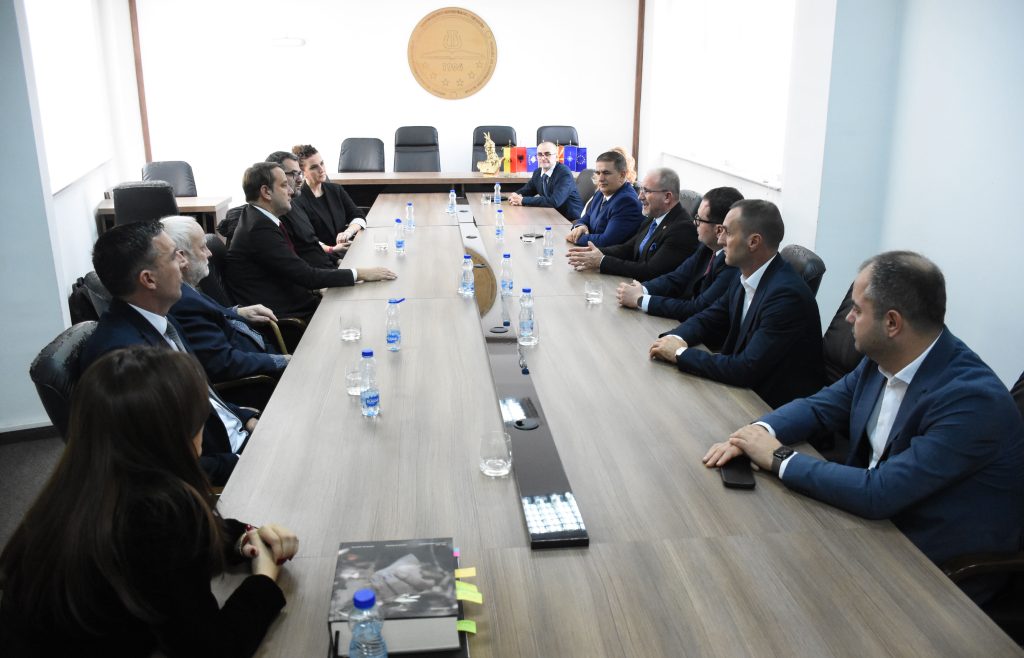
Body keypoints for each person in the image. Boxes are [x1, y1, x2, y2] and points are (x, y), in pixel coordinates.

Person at [703, 251, 1024, 604]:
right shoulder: (881, 360)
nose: (848, 317)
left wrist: (778, 457)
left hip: (930, 570)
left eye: (857, 309)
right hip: (869, 525)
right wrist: (757, 433)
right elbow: (818, 407)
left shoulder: (971, 400)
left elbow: (880, 492)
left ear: (892, 323)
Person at [0, 346, 298, 655]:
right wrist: (265, 579)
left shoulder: (79, 489)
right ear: (176, 435)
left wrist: (242, 539)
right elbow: (212, 649)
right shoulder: (157, 517)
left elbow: (194, 539)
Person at [80, 221, 256, 485]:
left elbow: (204, 395)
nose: (184, 263)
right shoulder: (128, 360)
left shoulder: (158, 317)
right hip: (223, 464)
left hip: (233, 435)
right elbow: (164, 465)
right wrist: (245, 461)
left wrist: (244, 417)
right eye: (175, 256)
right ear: (149, 279)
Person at [649, 199, 824, 408]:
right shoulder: (746, 275)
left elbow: (746, 368)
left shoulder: (786, 296)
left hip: (769, 407)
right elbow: (710, 317)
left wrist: (679, 353)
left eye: (727, 232)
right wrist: (675, 338)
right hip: (741, 392)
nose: (720, 239)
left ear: (753, 242)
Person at [225, 162, 396, 320]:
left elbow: (293, 269)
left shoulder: (259, 219)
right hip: (289, 316)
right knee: (365, 313)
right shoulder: (259, 229)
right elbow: (306, 275)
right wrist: (362, 273)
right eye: (284, 185)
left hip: (299, 298)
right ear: (266, 192)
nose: (291, 191)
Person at [162, 216, 289, 385]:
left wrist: (237, 312)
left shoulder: (187, 289)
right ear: (181, 257)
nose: (209, 253)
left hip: (261, 357)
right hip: (259, 382)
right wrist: (282, 361)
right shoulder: (182, 302)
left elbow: (210, 314)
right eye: (202, 247)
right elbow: (223, 363)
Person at [616, 187, 743, 323]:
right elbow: (676, 278)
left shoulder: (732, 264)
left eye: (699, 219)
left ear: (719, 230)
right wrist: (641, 289)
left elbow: (697, 308)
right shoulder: (706, 247)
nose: (694, 223)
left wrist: (641, 299)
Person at [565, 167, 697, 280]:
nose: (640, 196)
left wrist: (602, 261)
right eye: (641, 190)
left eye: (646, 191)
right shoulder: (654, 216)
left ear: (667, 197)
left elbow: (650, 271)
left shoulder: (682, 229)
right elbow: (629, 248)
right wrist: (592, 253)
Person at [266, 150, 345, 268]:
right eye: (293, 174)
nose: (299, 179)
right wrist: (352, 273)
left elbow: (312, 246)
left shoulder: (294, 205)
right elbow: (300, 266)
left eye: (299, 173)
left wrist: (338, 261)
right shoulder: (278, 214)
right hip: (319, 275)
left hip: (329, 267)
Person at [291, 144, 366, 248]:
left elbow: (358, 216)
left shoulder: (336, 189)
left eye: (322, 163)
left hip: (345, 247)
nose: (321, 169)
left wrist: (348, 232)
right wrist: (332, 249)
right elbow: (306, 238)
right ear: (302, 172)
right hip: (321, 253)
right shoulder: (297, 200)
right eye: (314, 167)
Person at [565, 150, 644, 248]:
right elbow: (586, 217)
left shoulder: (627, 202)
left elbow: (606, 241)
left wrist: (575, 237)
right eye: (598, 173)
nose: (601, 179)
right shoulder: (600, 193)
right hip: (591, 252)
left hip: (609, 255)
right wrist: (580, 226)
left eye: (606, 173)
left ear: (622, 175)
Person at [507, 140, 583, 220]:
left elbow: (554, 201)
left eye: (547, 154)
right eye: (540, 154)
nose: (543, 158)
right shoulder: (538, 172)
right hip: (550, 215)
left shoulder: (564, 173)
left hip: (570, 220)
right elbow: (527, 190)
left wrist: (523, 200)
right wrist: (515, 195)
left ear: (556, 156)